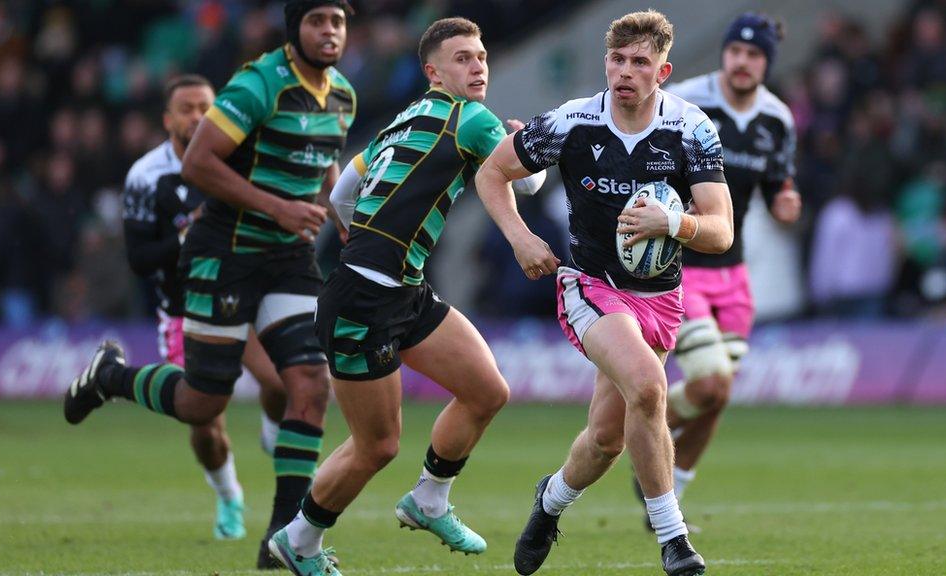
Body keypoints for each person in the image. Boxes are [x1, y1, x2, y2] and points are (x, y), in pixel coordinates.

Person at [62, 1, 356, 568]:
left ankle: (286, 540)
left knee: (312, 386)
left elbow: (325, 162)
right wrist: (278, 208)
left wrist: (343, 215)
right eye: (317, 21)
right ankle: (111, 376)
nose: (329, 32)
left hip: (288, 257)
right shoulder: (258, 83)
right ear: (294, 29)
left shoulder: (343, 94)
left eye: (338, 22)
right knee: (203, 402)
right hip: (225, 253)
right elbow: (198, 163)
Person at [266, 17, 546, 576]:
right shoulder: (471, 120)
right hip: (362, 302)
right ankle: (297, 542)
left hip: (402, 290)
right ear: (433, 72)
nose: (478, 66)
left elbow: (344, 188)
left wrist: (357, 232)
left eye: (482, 56)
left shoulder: (401, 122)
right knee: (377, 445)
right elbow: (530, 182)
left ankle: (429, 500)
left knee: (486, 390)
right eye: (463, 58)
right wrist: (524, 146)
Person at [475, 10, 733, 576]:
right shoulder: (572, 122)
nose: (625, 72)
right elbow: (491, 174)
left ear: (662, 71)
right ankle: (674, 540)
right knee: (648, 385)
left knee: (605, 440)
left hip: (661, 298)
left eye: (640, 62)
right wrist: (522, 239)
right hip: (590, 286)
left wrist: (675, 225)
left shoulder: (691, 130)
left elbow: (721, 229)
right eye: (617, 60)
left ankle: (550, 503)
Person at [639, 12, 801, 519]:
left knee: (717, 395)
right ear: (724, 55)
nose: (742, 62)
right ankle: (638, 425)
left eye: (753, 55)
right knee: (710, 384)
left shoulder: (778, 120)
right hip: (683, 267)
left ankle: (672, 484)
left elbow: (779, 184)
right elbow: (641, 152)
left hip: (736, 274)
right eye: (735, 52)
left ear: (765, 64)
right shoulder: (685, 103)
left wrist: (785, 202)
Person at [118, 73, 289, 541]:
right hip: (186, 310)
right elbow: (138, 260)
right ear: (168, 118)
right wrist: (188, 238)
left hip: (242, 297)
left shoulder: (237, 161)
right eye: (187, 109)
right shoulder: (146, 176)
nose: (197, 117)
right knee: (204, 419)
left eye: (205, 108)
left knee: (280, 383)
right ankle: (230, 496)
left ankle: (277, 449)